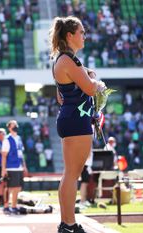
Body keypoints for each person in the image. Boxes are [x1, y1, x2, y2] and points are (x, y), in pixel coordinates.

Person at [50, 16, 106, 233]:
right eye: (81, 32)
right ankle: (69, 223)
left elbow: (62, 95)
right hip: (76, 119)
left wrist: (88, 77)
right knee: (72, 174)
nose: (84, 36)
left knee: (69, 174)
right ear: (70, 35)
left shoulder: (64, 60)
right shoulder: (68, 60)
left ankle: (67, 222)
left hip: (71, 117)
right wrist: (97, 81)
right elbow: (91, 89)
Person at [1, 120, 27, 215]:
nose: (16, 127)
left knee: (18, 187)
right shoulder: (7, 139)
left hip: (19, 167)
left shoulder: (19, 138)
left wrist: (24, 166)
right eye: (13, 125)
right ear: (9, 128)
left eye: (16, 125)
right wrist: (3, 169)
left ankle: (14, 206)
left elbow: (21, 154)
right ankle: (6, 206)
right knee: (8, 187)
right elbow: (4, 155)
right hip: (11, 167)